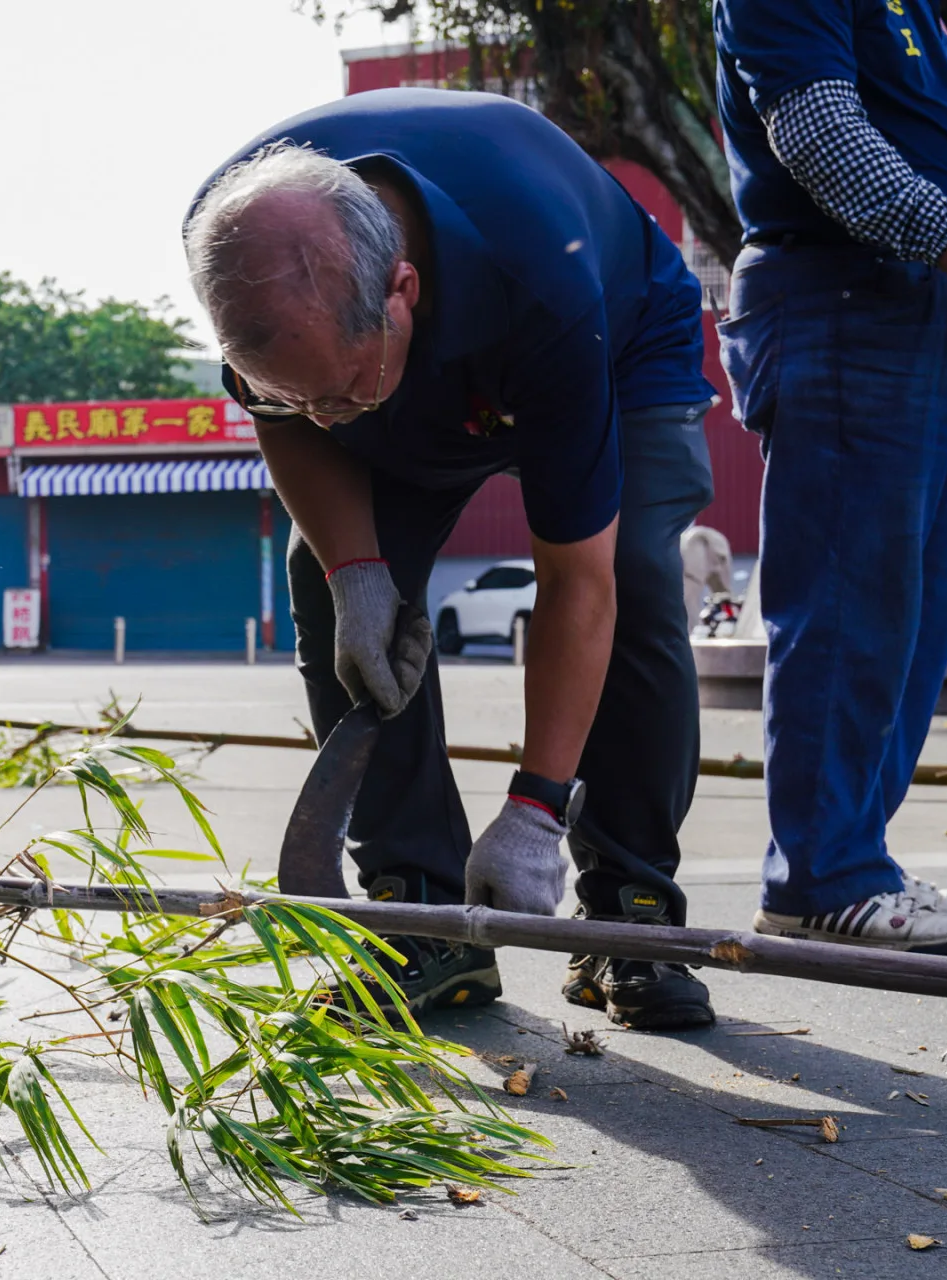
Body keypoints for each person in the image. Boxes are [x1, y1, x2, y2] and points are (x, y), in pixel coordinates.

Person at [185, 89, 720, 1028]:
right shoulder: (236, 241)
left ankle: (627, 911)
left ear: (403, 290)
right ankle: (420, 919)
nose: (323, 418)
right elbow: (292, 416)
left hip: (618, 334)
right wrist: (356, 571)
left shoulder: (539, 281)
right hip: (412, 360)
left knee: (633, 572)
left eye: (340, 390)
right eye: (295, 395)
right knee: (325, 575)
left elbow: (576, 582)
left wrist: (536, 808)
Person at [713, 0, 947, 953]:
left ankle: (852, 857)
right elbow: (819, 131)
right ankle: (821, 876)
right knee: (848, 601)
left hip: (932, 309)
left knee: (908, 614)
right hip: (853, 298)